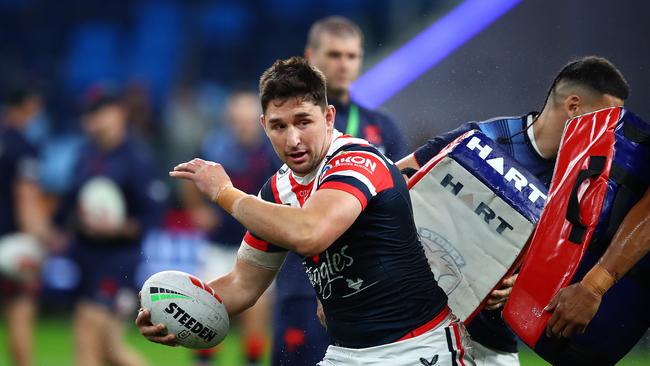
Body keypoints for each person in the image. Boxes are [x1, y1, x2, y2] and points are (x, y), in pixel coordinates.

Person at [137, 56, 475, 366]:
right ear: (264, 125)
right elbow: (243, 283)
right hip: (346, 354)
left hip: (418, 349)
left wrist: (225, 193)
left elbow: (309, 233)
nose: (293, 139)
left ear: (328, 117)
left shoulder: (357, 161)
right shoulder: (277, 190)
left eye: (303, 122)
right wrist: (175, 312)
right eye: (279, 126)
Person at [397, 56, 629, 366]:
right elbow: (393, 184)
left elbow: (564, 269)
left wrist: (521, 288)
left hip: (491, 346)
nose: (608, 134)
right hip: (416, 328)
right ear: (573, 106)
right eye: (604, 120)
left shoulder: (587, 184)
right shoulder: (484, 138)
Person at [274, 16, 407, 365]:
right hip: (302, 282)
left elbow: (403, 201)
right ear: (310, 56)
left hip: (364, 286)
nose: (344, 65)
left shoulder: (382, 128)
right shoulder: (286, 124)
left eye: (352, 55)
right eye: (334, 55)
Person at [56, 88, 167, 366]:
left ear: (119, 114)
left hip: (118, 262)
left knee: (87, 332)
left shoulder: (136, 158)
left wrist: (116, 228)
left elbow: (153, 215)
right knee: (110, 351)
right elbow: (68, 205)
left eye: (100, 113)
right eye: (90, 114)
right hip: (86, 257)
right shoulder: (85, 155)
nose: (94, 121)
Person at [181, 90, 279, 366]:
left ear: (258, 120)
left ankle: (251, 361)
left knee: (256, 313)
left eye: (248, 118)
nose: (242, 124)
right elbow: (190, 177)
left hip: (260, 245)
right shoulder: (215, 147)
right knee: (203, 310)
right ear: (230, 119)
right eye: (237, 118)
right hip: (219, 243)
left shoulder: (271, 151)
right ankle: (204, 362)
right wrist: (196, 210)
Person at [0, 87, 52, 366]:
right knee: (20, 315)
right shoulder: (23, 148)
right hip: (12, 247)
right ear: (27, 107)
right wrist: (44, 238)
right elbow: (26, 199)